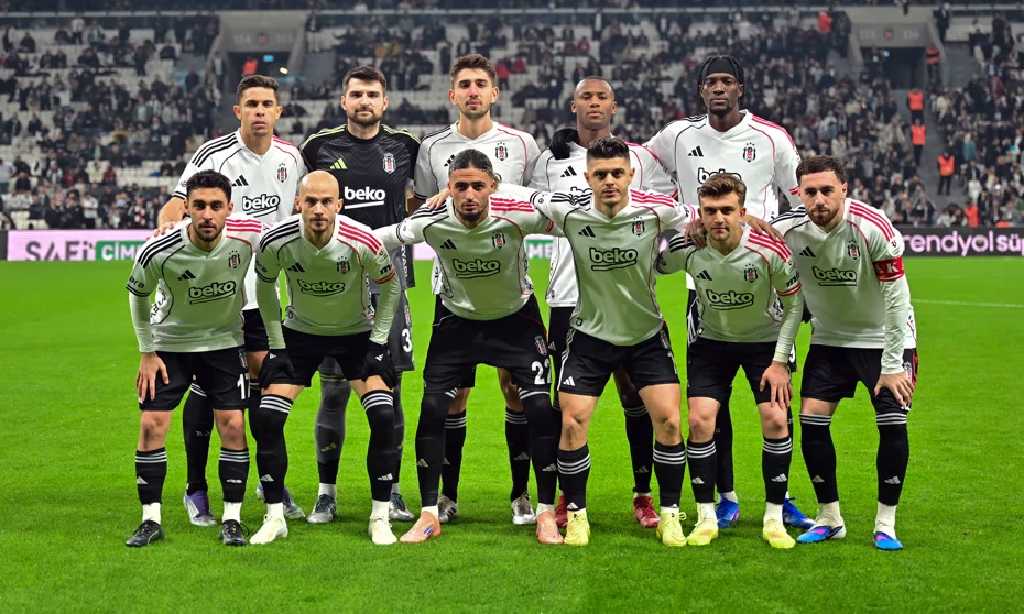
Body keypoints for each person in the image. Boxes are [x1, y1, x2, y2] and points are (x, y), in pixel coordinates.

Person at [645, 54, 811, 530]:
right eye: (710, 82)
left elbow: (800, 199)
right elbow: (644, 176)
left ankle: (783, 496)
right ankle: (727, 496)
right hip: (704, 287)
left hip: (764, 283)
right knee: (710, 405)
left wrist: (762, 225)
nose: (718, 89)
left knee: (776, 401)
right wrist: (684, 219)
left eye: (727, 81)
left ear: (740, 88)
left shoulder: (771, 138)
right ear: (701, 90)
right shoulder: (677, 136)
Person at [377, 150, 562, 545]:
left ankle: (543, 510)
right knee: (432, 408)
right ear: (449, 188)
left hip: (516, 320)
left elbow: (568, 218)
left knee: (539, 409)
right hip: (456, 322)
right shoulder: (432, 221)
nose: (469, 195)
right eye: (460, 186)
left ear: (492, 186)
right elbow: (384, 237)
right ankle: (430, 512)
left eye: (478, 185)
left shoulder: (517, 215)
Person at [530, 137, 699, 547]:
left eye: (617, 173)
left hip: (645, 336)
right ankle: (577, 515)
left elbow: (704, 214)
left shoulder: (656, 209)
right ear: (587, 177)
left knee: (670, 421)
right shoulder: (570, 212)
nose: (609, 181)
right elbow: (518, 199)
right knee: (572, 421)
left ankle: (670, 515)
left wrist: (748, 223)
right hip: (589, 336)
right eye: (601, 174)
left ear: (631, 175)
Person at [156, 75, 307, 524]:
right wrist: (166, 228)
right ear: (238, 111)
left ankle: (270, 483)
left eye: (267, 104)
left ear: (278, 111)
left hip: (263, 294)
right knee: (207, 388)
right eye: (251, 104)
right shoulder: (214, 154)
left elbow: (301, 213)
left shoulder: (291, 158)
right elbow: (178, 203)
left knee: (265, 390)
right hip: (214, 295)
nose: (259, 111)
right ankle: (196, 489)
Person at [414, 53, 542, 525]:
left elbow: (535, 204)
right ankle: (446, 497)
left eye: (480, 84)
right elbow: (423, 209)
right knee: (454, 395)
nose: (473, 91)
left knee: (516, 391)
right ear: (452, 94)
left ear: (494, 92)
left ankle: (521, 494)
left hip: (509, 289)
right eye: (464, 84)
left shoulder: (521, 144)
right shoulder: (432, 148)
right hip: (454, 291)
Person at [772, 155, 918, 551]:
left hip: (885, 339)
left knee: (891, 423)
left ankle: (885, 523)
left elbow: (897, 300)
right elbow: (747, 233)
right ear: (799, 193)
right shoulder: (787, 230)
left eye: (827, 191)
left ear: (844, 190)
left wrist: (892, 366)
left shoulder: (872, 227)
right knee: (812, 422)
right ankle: (829, 518)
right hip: (830, 339)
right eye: (810, 192)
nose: (818, 200)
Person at [250, 171, 402, 546]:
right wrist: (276, 345)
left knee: (384, 416)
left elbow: (391, 286)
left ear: (339, 205)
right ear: (298, 204)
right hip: (300, 334)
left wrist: (378, 342)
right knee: (268, 417)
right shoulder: (275, 240)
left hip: (356, 334)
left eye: (326, 202)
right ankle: (274, 517)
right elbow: (264, 287)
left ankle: (380, 517)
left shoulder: (362, 240)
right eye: (311, 201)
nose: (318, 209)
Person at [655, 173, 804, 549]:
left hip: (765, 343)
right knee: (699, 421)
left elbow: (794, 306)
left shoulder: (769, 248)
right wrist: (678, 233)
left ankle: (774, 518)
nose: (718, 218)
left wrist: (780, 362)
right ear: (700, 213)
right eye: (710, 211)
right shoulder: (691, 245)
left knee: (775, 419)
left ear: (742, 212)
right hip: (711, 341)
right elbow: (657, 261)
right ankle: (706, 516)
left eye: (726, 210)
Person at [300, 65, 420, 524]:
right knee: (333, 392)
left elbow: (423, 199)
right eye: (356, 94)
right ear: (343, 101)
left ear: (385, 102)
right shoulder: (319, 148)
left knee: (392, 390)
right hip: (336, 286)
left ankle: (392, 492)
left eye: (372, 94)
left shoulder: (405, 146)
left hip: (389, 283)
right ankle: (325, 493)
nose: (364, 101)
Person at [125, 170, 263, 547]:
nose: (207, 214)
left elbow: (289, 238)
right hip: (170, 345)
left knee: (233, 425)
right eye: (199, 205)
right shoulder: (160, 248)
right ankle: (150, 520)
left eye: (216, 206)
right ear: (185, 207)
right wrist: (147, 352)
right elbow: (138, 295)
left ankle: (232, 519)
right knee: (152, 425)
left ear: (229, 208)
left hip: (223, 343)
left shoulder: (249, 235)